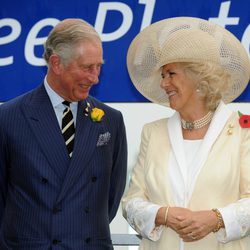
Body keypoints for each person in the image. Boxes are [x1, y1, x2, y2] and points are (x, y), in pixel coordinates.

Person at [122, 16, 250, 250]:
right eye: (162, 76)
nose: (164, 84)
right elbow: (131, 203)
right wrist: (162, 214)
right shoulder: (153, 132)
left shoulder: (243, 131)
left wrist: (216, 218)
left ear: (199, 78)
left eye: (171, 74)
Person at [0, 18, 127, 249]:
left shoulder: (111, 120)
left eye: (99, 66)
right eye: (87, 67)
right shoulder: (8, 118)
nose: (95, 77)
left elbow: (111, 197)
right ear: (56, 64)